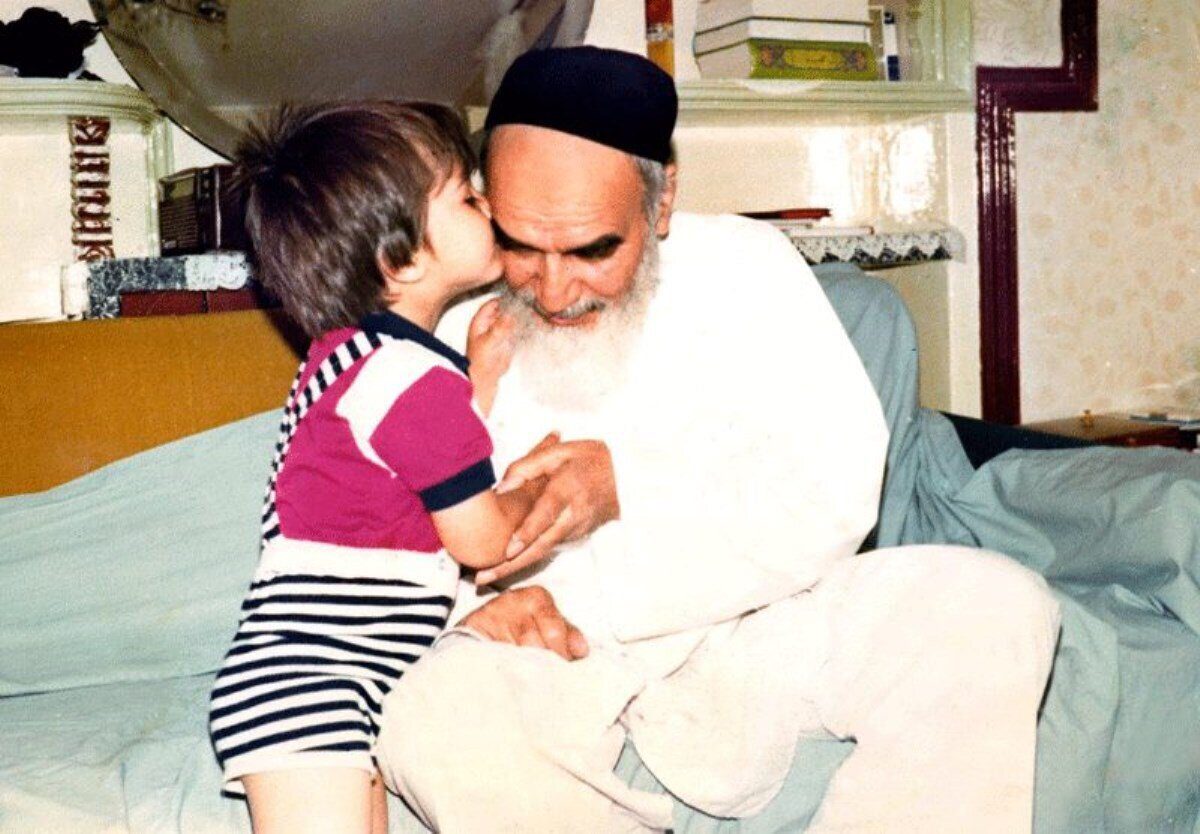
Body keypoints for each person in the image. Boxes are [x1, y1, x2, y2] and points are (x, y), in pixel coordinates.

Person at [374, 47, 1062, 834]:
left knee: (992, 605)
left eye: (593, 250)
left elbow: (837, 492)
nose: (553, 290)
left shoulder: (745, 267)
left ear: (661, 204)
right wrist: (466, 615)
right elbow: (369, 542)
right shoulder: (449, 319)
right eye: (521, 245)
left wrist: (627, 488)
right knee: (428, 717)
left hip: (756, 626)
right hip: (554, 655)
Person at [206, 101, 552, 834]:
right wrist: (532, 493)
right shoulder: (408, 382)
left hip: (345, 681)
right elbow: (481, 540)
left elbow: (410, 474)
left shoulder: (359, 360)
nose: (490, 204)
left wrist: (479, 380)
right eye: (466, 197)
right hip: (311, 687)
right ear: (401, 260)